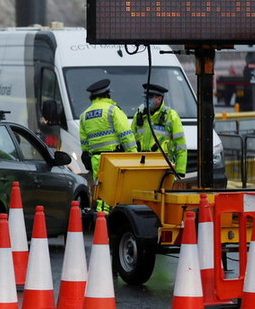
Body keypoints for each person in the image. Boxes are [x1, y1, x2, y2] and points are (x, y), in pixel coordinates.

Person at [79, 79, 137, 211]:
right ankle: (105, 221)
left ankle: (101, 219)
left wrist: (88, 155)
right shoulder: (112, 110)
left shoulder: (84, 115)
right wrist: (133, 156)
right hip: (113, 159)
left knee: (101, 191)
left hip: (96, 160)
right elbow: (126, 135)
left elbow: (84, 143)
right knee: (115, 192)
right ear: (107, 94)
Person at [131, 83, 188, 176]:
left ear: (159, 99)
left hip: (163, 168)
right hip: (141, 166)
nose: (146, 100)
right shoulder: (139, 115)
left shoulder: (171, 116)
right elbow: (131, 139)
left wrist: (180, 170)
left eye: (149, 97)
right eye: (145, 97)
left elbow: (180, 145)